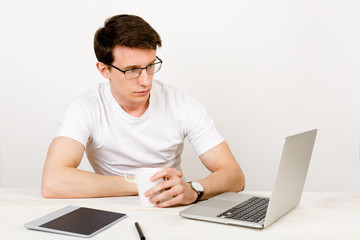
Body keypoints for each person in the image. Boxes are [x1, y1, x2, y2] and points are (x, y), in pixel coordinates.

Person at [41, 14, 245, 207]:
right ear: (104, 70)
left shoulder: (180, 103)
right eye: (132, 70)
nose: (146, 80)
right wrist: (144, 184)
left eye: (150, 65)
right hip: (112, 208)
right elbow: (53, 181)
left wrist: (194, 189)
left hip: (169, 208)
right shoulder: (85, 108)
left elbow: (234, 176)